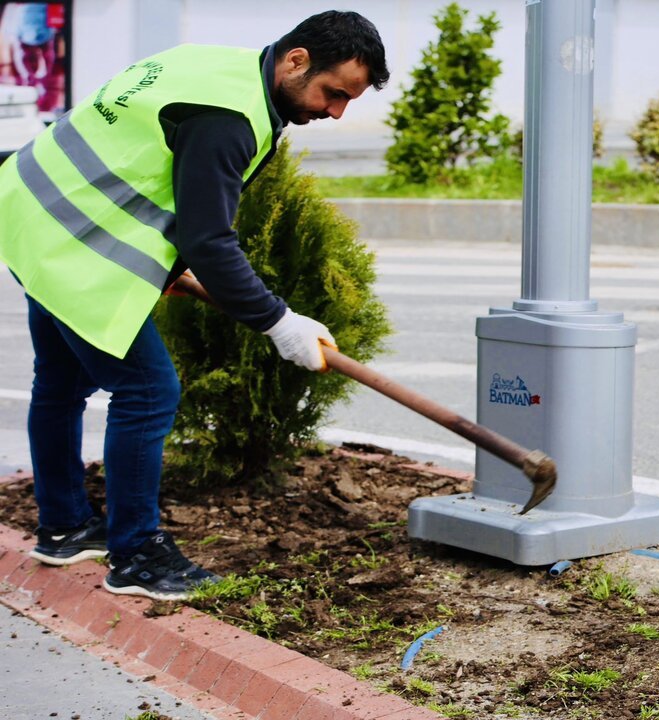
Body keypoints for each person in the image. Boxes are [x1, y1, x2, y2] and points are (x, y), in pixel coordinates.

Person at [0, 11, 389, 600]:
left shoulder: (214, 64)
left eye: (348, 102)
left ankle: (64, 526)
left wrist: (170, 265)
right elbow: (209, 239)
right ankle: (135, 555)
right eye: (334, 94)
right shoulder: (230, 117)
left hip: (31, 207)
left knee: (58, 384)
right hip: (76, 246)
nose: (335, 113)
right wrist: (278, 321)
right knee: (149, 392)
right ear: (297, 59)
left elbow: (144, 161)